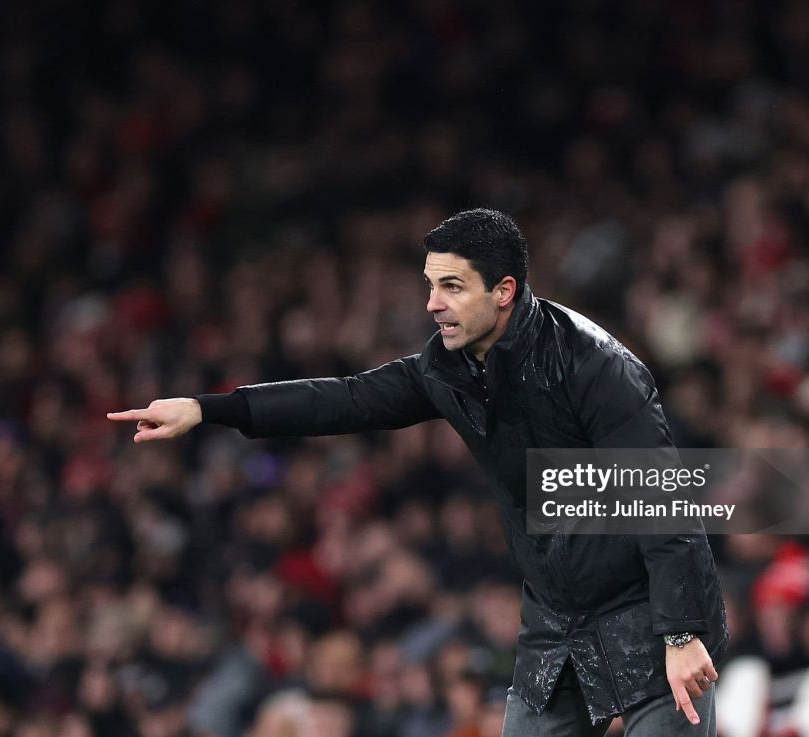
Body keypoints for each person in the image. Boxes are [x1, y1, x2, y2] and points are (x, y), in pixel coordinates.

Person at [108, 208, 728, 736]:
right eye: (431, 285)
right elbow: (345, 399)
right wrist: (209, 409)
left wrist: (680, 634)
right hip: (557, 620)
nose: (432, 304)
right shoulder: (447, 368)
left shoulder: (595, 365)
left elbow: (661, 496)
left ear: (503, 291)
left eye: (452, 287)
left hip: (650, 613)